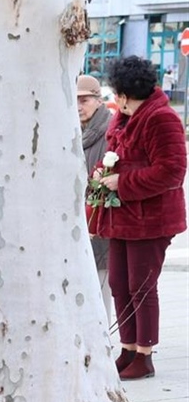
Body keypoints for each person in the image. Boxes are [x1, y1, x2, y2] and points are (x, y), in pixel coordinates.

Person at [92, 56, 186, 380]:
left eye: (117, 93)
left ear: (126, 92)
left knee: (141, 287)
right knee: (119, 283)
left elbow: (172, 171)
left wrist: (124, 182)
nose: (115, 100)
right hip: (122, 215)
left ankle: (144, 355)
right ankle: (128, 347)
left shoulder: (162, 119)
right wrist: (102, 178)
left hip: (151, 219)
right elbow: (113, 158)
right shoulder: (122, 116)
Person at [76, 74, 112, 321]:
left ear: (98, 100)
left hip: (101, 223)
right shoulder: (73, 131)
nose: (78, 106)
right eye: (75, 100)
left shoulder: (110, 131)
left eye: (84, 100)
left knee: (101, 291)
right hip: (77, 224)